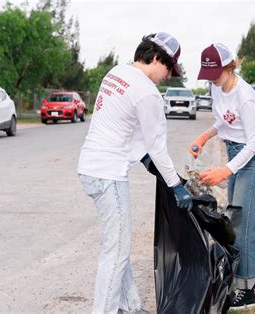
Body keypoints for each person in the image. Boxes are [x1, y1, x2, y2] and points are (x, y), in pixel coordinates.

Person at [77, 32, 192, 313]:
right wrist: (176, 185)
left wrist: (146, 161)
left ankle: (130, 307)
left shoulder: (116, 73)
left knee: (118, 244)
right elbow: (157, 146)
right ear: (155, 58)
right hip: (108, 174)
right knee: (116, 252)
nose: (168, 75)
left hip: (89, 168)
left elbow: (125, 130)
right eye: (168, 68)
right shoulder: (147, 92)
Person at [189, 43, 255, 310]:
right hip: (237, 153)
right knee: (237, 220)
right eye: (208, 73)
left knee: (241, 227)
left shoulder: (245, 96)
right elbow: (224, 121)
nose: (212, 78)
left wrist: (225, 170)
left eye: (216, 72)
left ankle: (245, 290)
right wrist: (205, 136)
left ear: (229, 67)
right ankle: (254, 279)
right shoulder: (216, 88)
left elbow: (254, 142)